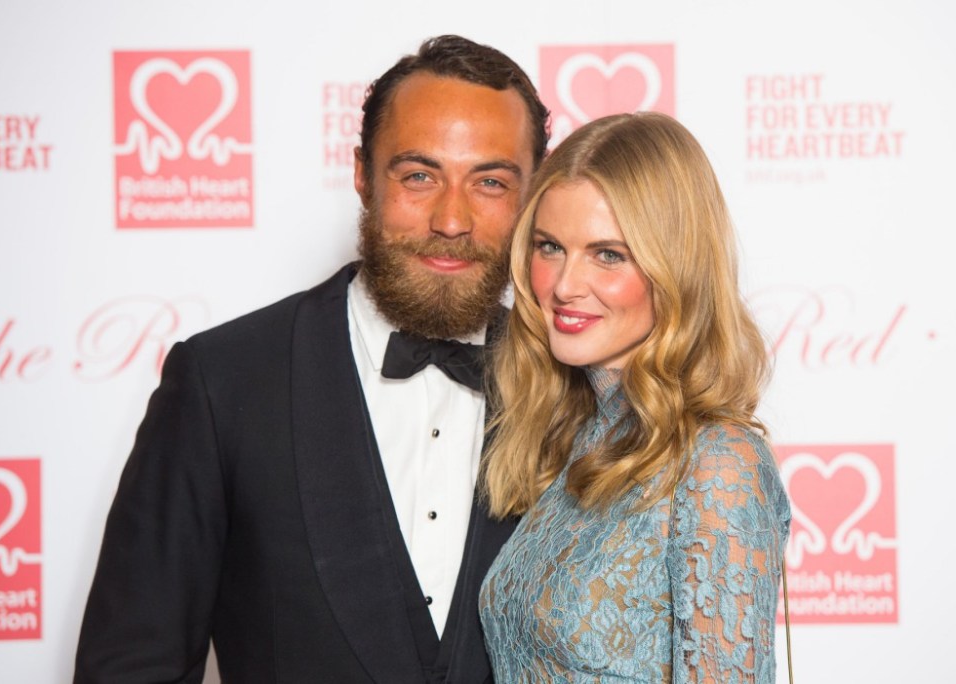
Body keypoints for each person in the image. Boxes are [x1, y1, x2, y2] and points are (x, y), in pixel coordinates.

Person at [75, 35, 549, 684]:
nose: (451, 219)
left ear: (532, 196)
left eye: (490, 182)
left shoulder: (574, 393)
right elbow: (131, 667)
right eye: (418, 175)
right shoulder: (222, 385)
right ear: (361, 175)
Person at [478, 112, 791, 682]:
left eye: (608, 254)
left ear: (675, 268)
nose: (566, 284)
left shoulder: (718, 463)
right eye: (550, 247)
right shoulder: (575, 437)